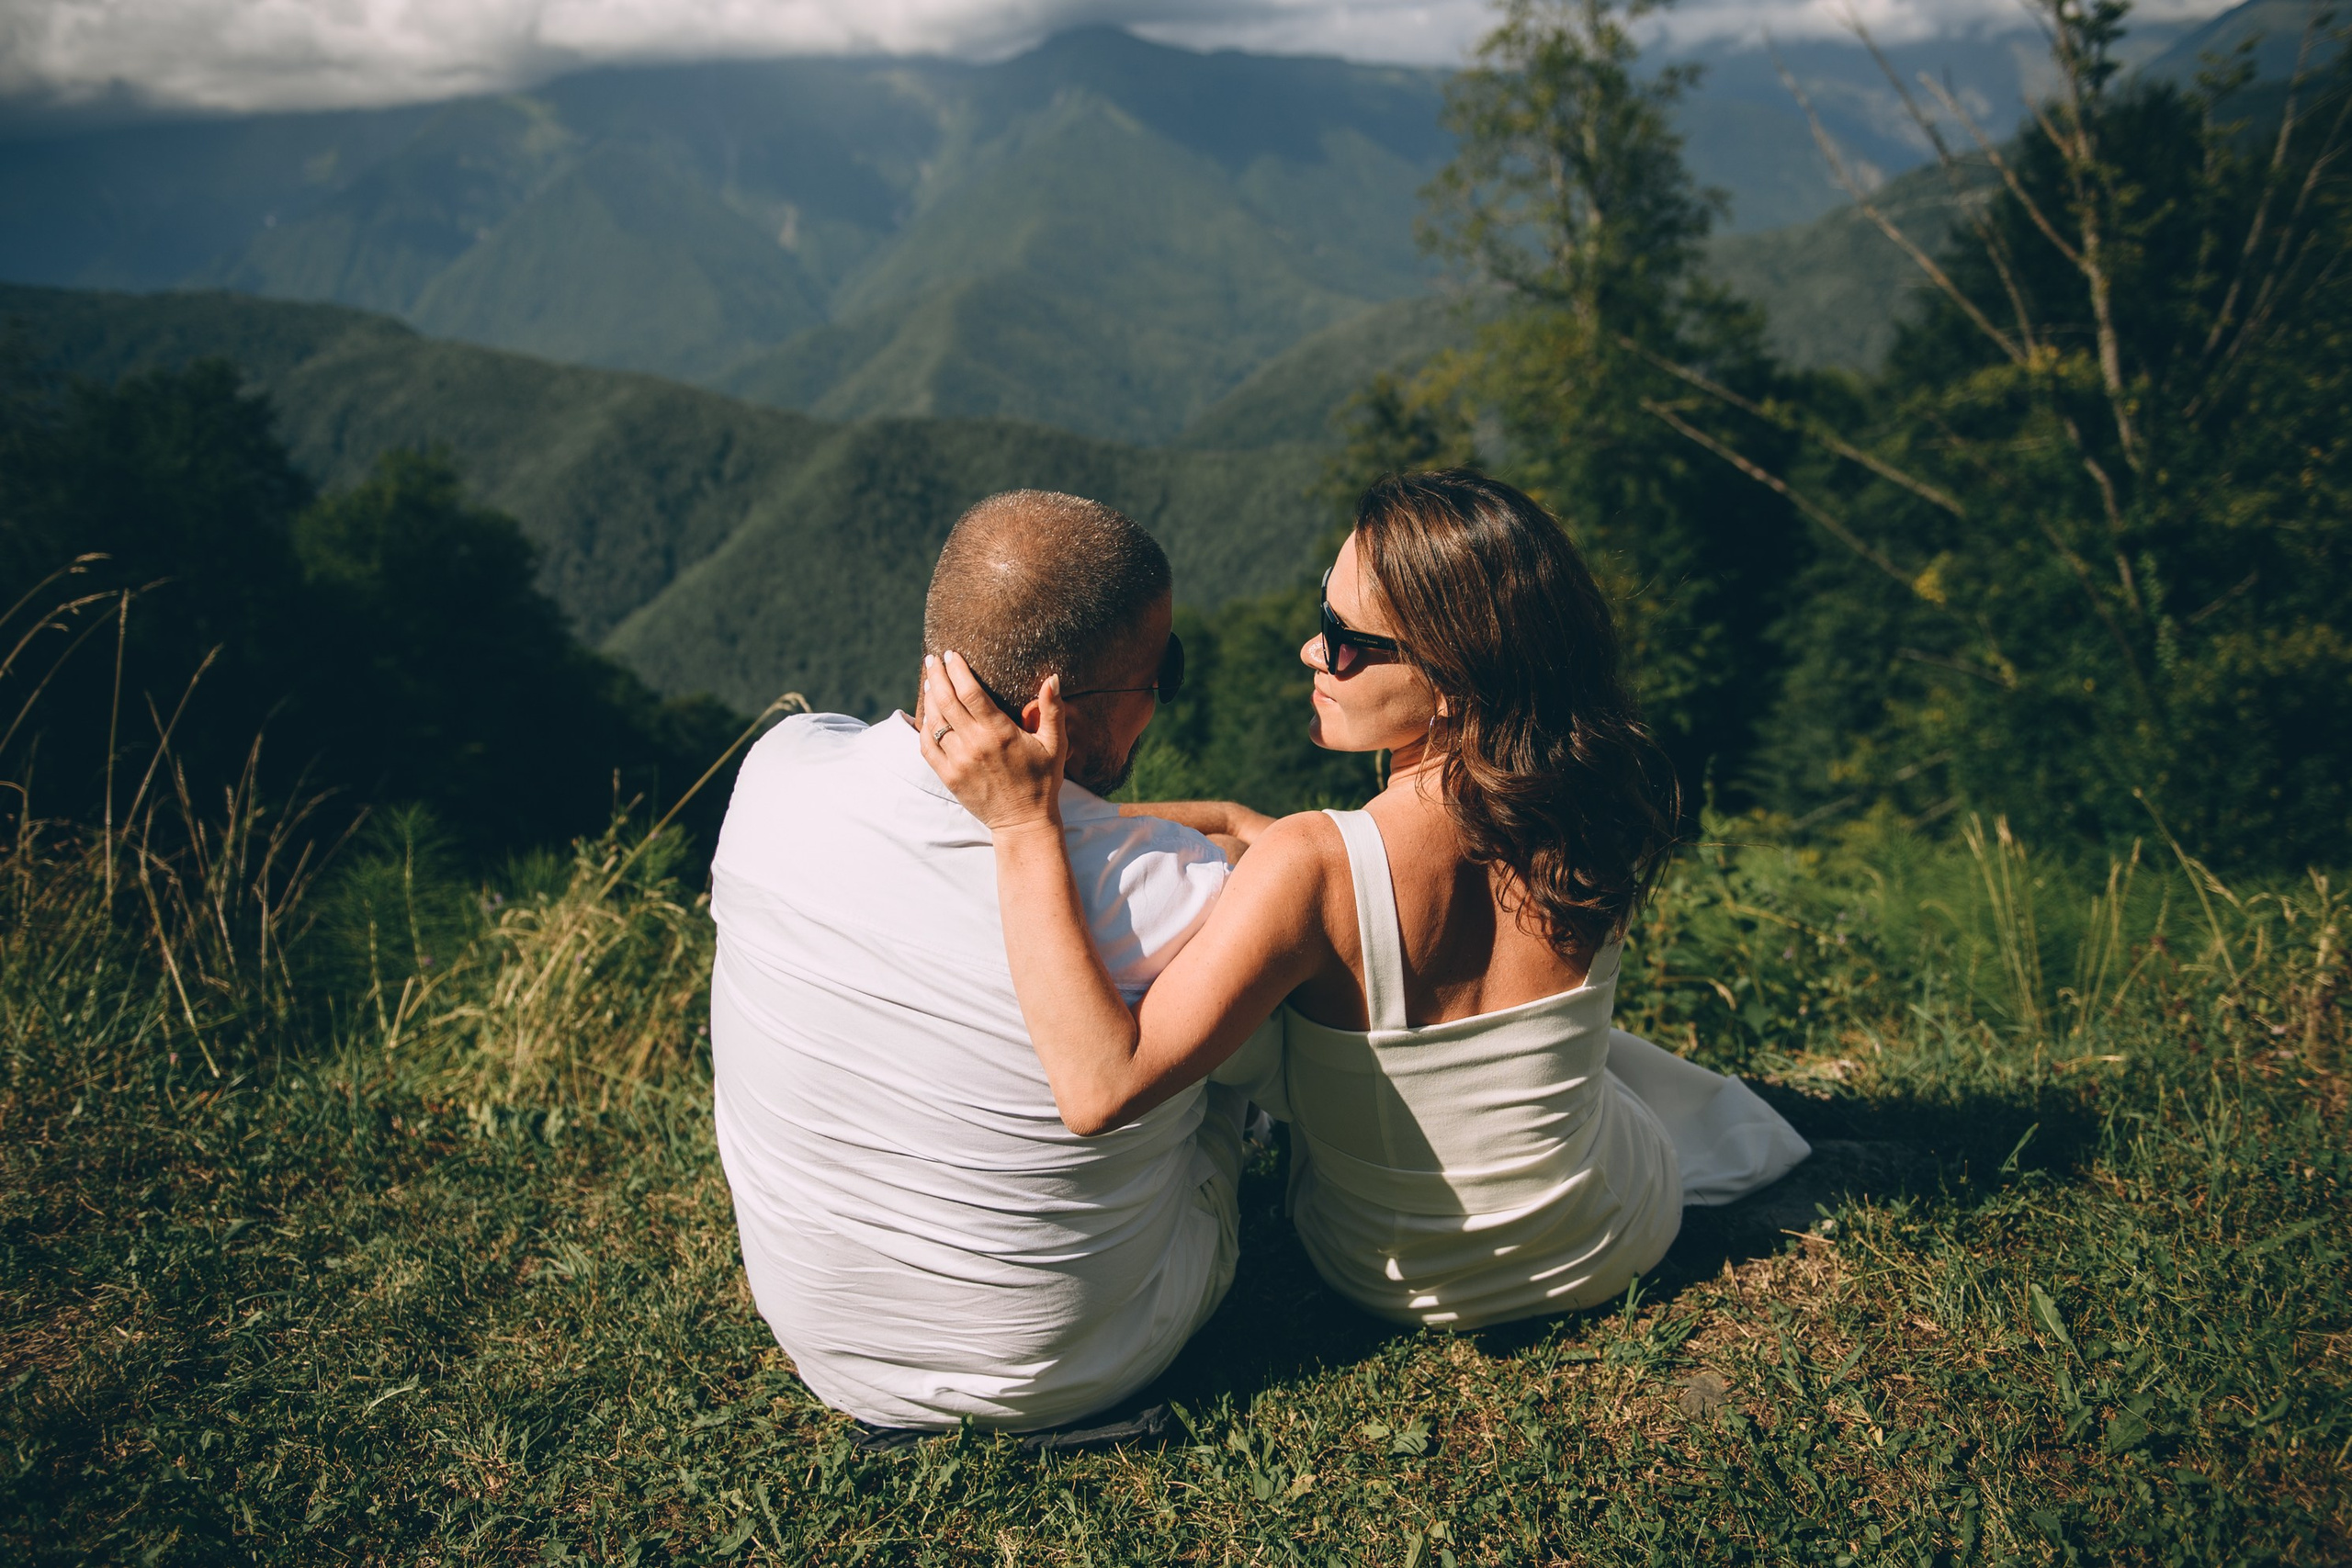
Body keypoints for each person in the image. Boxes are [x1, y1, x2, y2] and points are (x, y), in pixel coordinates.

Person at [920, 468, 1810, 1330]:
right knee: (1610, 1071)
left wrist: (1026, 830)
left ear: (1451, 683)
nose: (1314, 652)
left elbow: (1099, 1089)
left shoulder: (1314, 867)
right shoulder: (1594, 814)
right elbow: (1325, 859)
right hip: (1605, 1239)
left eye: (1344, 642)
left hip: (1385, 1278)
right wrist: (1203, 817)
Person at [707, 489, 1277, 1435]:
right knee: (1225, 1067)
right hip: (1079, 1364)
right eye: (1160, 670)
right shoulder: (1183, 894)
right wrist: (1237, 842)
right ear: (1060, 705)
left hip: (828, 1347)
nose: (1164, 696)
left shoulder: (780, 771)